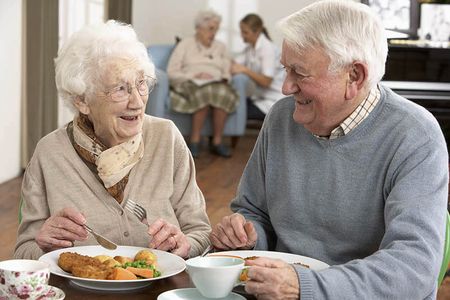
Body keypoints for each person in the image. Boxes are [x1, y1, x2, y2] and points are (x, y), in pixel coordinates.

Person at [210, 1, 449, 299]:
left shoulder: (415, 135)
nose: (286, 87)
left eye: (299, 73)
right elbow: (253, 211)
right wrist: (246, 236)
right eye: (286, 69)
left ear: (354, 77)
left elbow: (414, 269)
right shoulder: (280, 118)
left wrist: (305, 287)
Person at [14, 20, 211, 260]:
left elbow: (200, 232)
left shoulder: (166, 138)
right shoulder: (49, 153)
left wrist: (185, 245)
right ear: (82, 100)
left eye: (141, 84)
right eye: (120, 89)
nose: (137, 102)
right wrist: (45, 248)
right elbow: (24, 253)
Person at [167, 10, 238, 158]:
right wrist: (194, 75)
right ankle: (194, 140)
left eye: (216, 29)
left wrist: (222, 78)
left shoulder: (221, 47)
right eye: (210, 29)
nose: (214, 33)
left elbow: (226, 71)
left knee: (221, 92)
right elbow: (172, 71)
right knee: (205, 91)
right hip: (190, 82)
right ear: (199, 28)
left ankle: (217, 142)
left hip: (215, 83)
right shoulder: (185, 44)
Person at [231, 13, 285, 121]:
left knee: (234, 111)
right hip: (260, 98)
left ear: (257, 32)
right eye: (242, 32)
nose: (242, 36)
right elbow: (235, 64)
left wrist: (245, 70)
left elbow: (266, 81)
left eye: (245, 32)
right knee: (231, 103)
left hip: (273, 100)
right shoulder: (251, 49)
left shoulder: (267, 49)